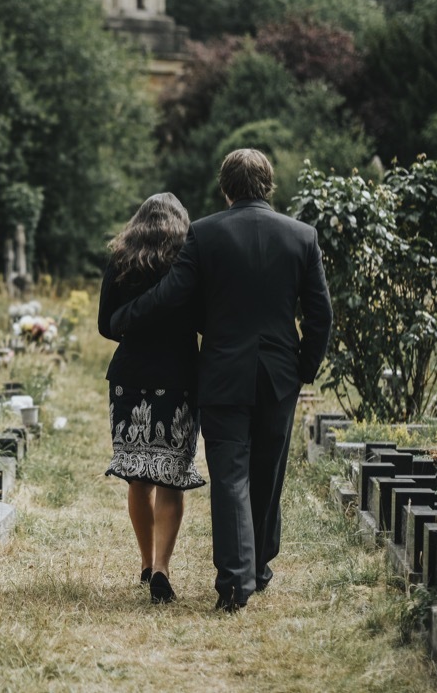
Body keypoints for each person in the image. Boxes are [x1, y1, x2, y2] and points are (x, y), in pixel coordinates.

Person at [110, 149, 332, 612]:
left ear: (226, 188)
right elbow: (320, 316)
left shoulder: (206, 233)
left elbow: (172, 294)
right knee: (268, 472)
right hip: (279, 376)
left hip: (223, 374)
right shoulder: (302, 236)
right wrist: (302, 369)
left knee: (230, 475)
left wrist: (125, 317)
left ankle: (234, 584)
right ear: (268, 185)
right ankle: (259, 567)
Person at [98, 192, 205, 604]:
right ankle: (162, 567)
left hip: (129, 377)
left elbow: (106, 325)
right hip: (177, 377)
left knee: (138, 477)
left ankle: (145, 563)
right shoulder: (189, 261)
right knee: (171, 477)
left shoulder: (122, 258)